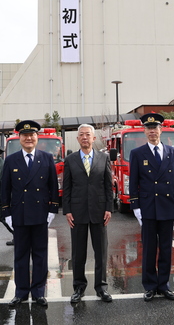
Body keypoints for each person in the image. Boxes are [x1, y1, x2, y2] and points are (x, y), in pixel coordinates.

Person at [1, 120, 59, 307]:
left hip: (40, 213)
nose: (28, 138)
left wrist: (52, 209)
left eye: (32, 135)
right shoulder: (11, 160)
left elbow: (53, 186)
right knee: (21, 255)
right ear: (19, 138)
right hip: (19, 214)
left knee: (41, 255)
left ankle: (39, 292)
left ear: (37, 137)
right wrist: (7, 212)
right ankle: (21, 292)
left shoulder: (47, 158)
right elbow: (5, 189)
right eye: (25, 135)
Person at [129, 113, 174, 302]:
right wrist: (135, 206)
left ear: (161, 130)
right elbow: (133, 182)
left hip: (167, 206)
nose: (152, 132)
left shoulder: (172, 152)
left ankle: (164, 285)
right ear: (144, 131)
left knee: (167, 248)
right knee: (149, 249)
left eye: (155, 128)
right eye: (148, 129)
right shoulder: (137, 153)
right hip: (148, 207)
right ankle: (150, 286)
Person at [62, 124, 113, 303]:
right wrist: (67, 210)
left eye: (88, 135)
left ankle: (101, 287)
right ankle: (78, 288)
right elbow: (66, 187)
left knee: (101, 252)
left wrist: (109, 207)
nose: (85, 137)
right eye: (81, 135)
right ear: (78, 139)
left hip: (100, 211)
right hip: (77, 212)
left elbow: (108, 186)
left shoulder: (103, 158)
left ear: (93, 138)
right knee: (78, 253)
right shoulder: (70, 160)